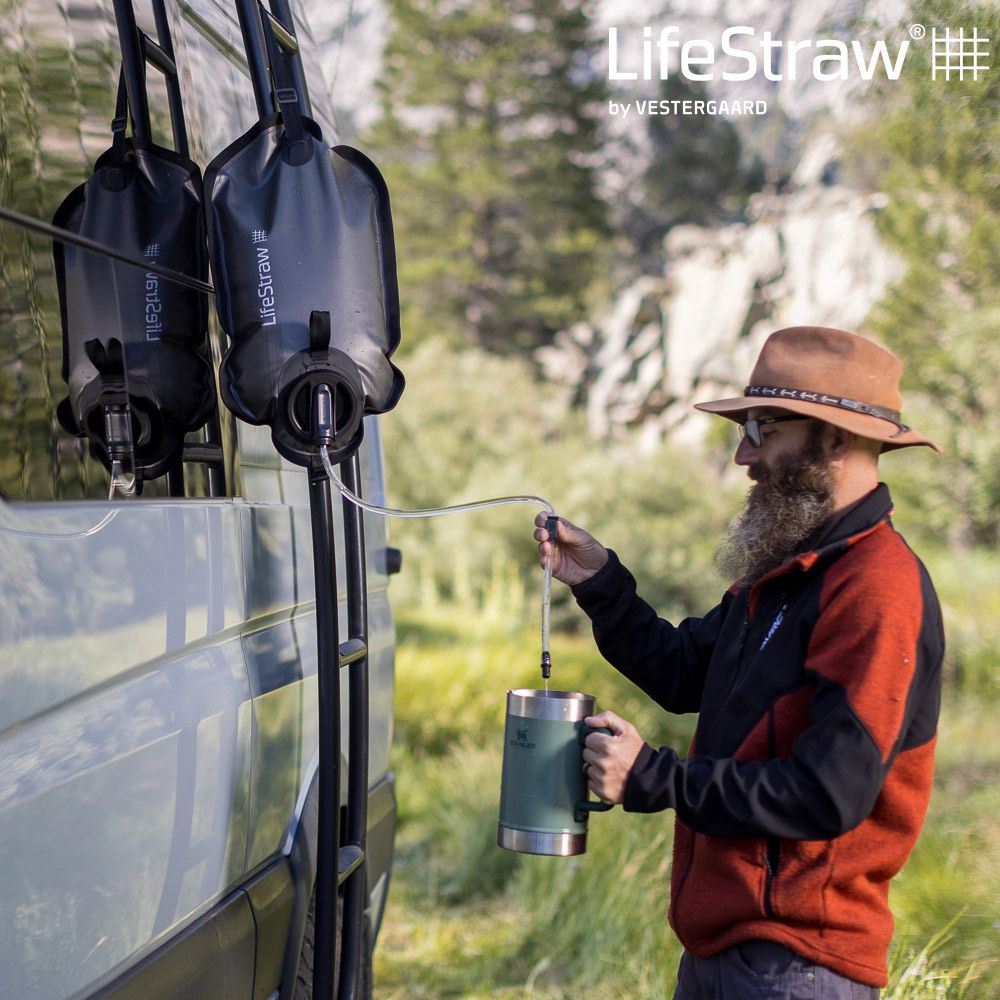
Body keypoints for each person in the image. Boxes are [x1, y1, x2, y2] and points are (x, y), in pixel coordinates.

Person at [534, 326, 944, 999]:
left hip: (799, 969)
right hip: (732, 956)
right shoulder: (788, 575)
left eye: (762, 429)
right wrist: (599, 579)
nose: (743, 456)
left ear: (834, 439)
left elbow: (827, 794)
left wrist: (654, 777)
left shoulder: (877, 587)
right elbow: (679, 673)